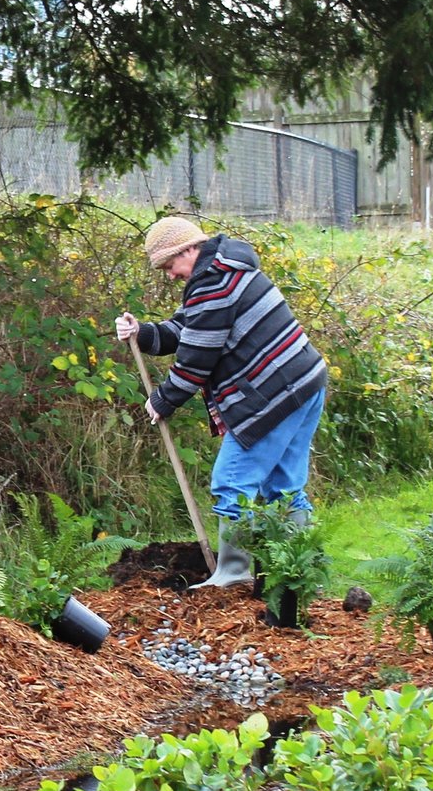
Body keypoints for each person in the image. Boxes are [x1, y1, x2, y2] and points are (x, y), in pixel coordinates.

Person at [114, 214, 329, 588]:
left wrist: (163, 399)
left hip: (274, 393)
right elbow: (189, 327)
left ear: (189, 249)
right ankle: (301, 575)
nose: (170, 275)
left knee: (232, 482)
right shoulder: (224, 269)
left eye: (170, 265)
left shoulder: (213, 282)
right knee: (284, 487)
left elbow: (197, 358)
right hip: (305, 382)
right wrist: (143, 333)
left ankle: (233, 576)